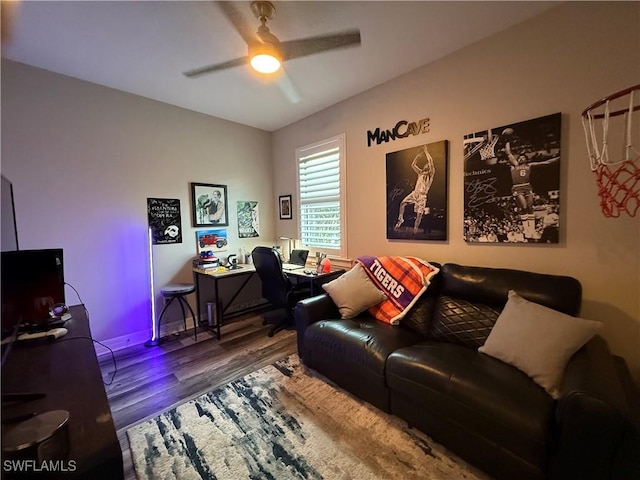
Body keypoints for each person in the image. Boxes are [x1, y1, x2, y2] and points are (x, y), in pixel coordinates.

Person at [505, 137, 558, 239]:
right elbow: (508, 153)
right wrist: (507, 141)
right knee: (524, 207)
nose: (521, 158)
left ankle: (532, 231)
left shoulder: (529, 165)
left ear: (526, 159)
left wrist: (558, 158)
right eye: (519, 157)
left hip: (527, 187)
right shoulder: (514, 165)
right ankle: (526, 230)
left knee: (530, 209)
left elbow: (546, 163)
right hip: (517, 188)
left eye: (523, 158)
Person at [395, 145, 435, 233]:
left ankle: (415, 231)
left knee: (419, 215)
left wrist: (426, 151)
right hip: (415, 193)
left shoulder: (430, 174)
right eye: (426, 164)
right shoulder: (420, 173)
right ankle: (401, 219)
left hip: (422, 195)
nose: (427, 165)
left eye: (428, 165)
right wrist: (417, 156)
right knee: (402, 203)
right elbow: (413, 165)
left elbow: (431, 161)